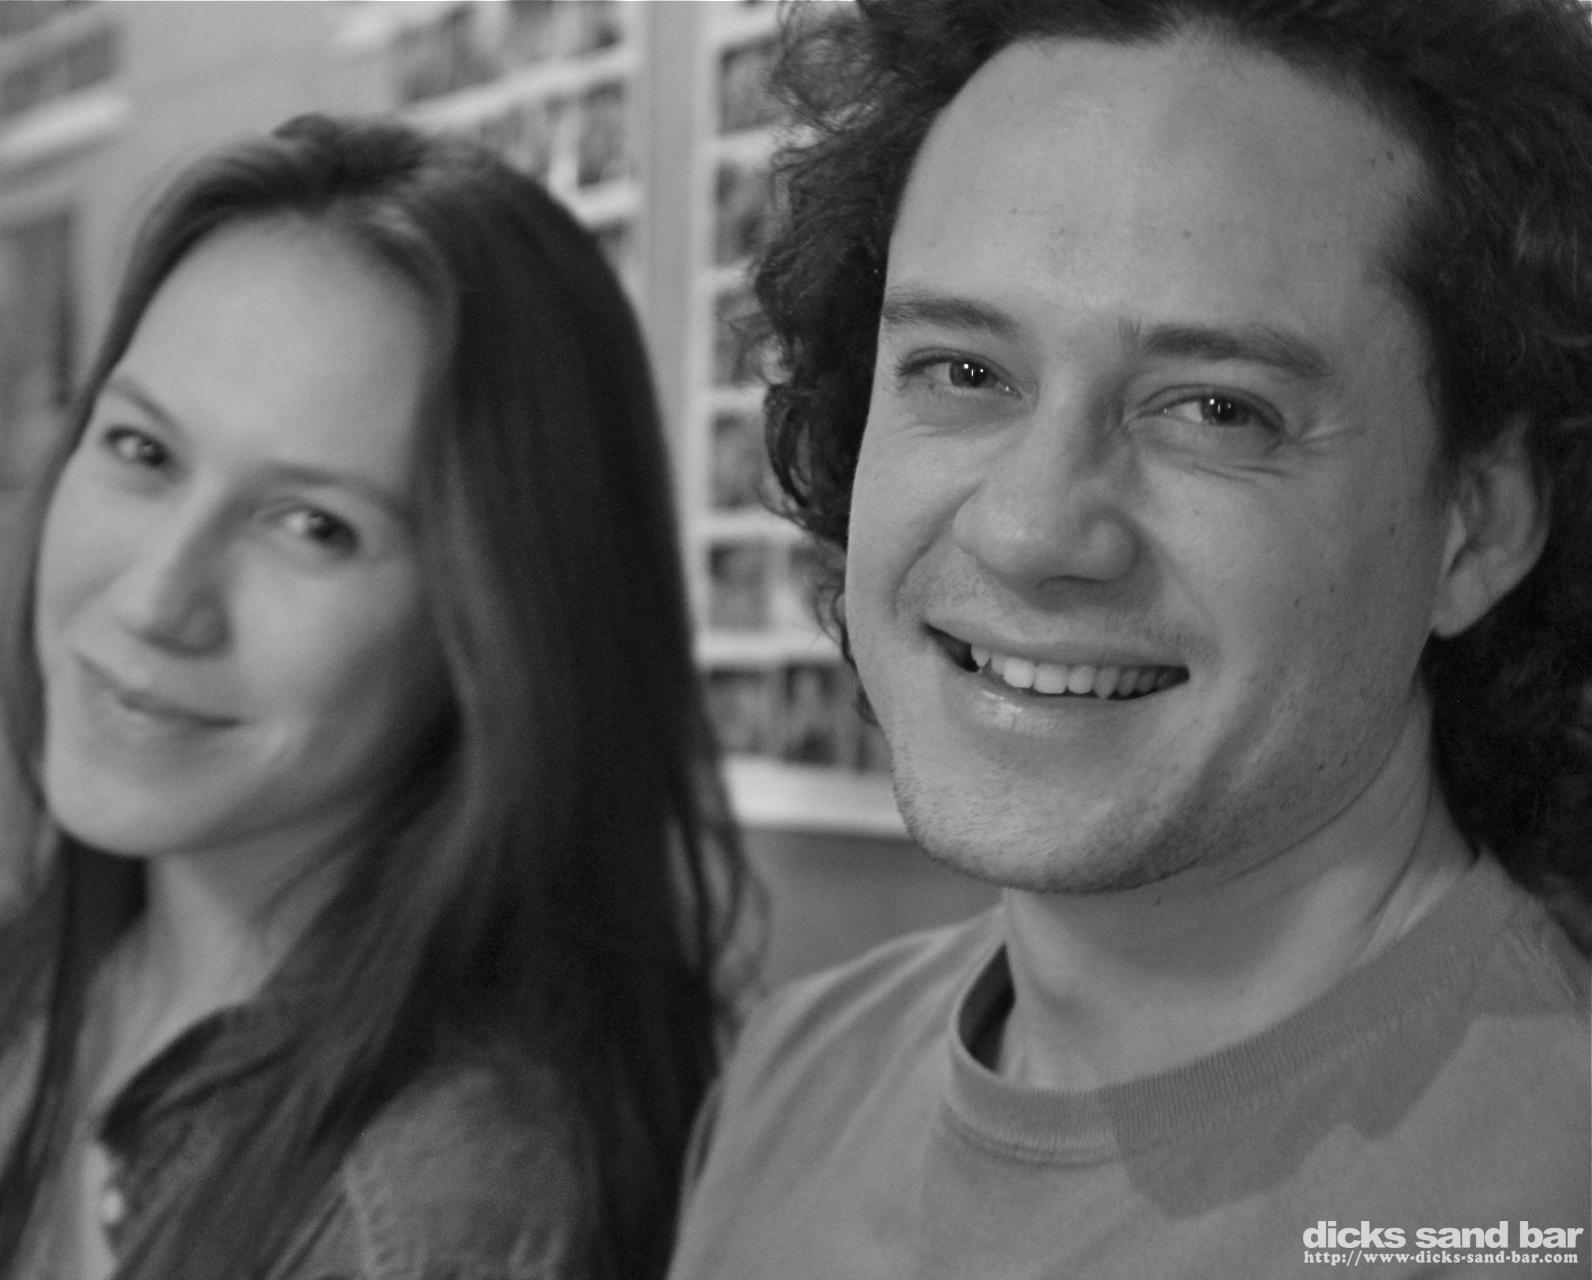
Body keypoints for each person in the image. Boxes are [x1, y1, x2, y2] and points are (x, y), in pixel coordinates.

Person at [668, 1, 1592, 1276]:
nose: (1031, 528)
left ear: (1479, 524)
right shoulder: (791, 1080)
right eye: (964, 371)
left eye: (1216, 408)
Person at [0, 114, 745, 1280]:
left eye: (313, 525)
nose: (157, 597)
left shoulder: (453, 1201)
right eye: (143, 451)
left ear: (497, 628)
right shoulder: (39, 972)